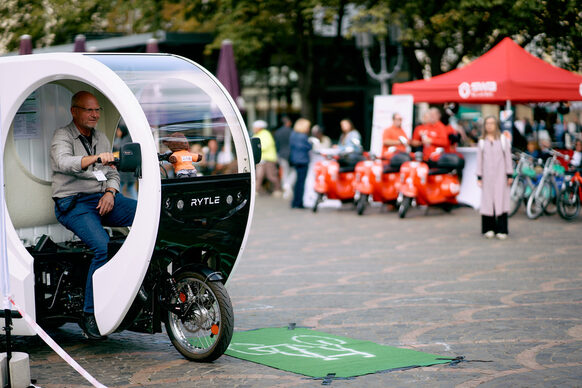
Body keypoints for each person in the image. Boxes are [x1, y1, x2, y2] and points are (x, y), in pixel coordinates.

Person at [50, 91, 137, 339]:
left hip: (103, 199)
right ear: (74, 111)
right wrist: (96, 158)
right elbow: (64, 162)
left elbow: (113, 173)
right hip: (73, 202)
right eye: (89, 110)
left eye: (97, 110)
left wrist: (111, 192)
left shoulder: (100, 136)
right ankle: (90, 313)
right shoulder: (62, 135)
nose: (95, 114)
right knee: (102, 246)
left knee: (147, 215)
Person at [476, 116, 513, 240]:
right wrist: (479, 176)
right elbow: (479, 160)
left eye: (492, 123)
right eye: (487, 123)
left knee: (501, 200)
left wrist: (509, 174)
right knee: (487, 201)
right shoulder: (482, 141)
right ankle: (488, 228)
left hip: (500, 175)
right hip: (487, 176)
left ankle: (502, 229)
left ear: (496, 125)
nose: (489, 126)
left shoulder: (503, 140)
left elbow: (508, 157)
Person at [252, 120, 281, 196]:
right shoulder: (256, 134)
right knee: (259, 175)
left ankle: (277, 189)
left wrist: (256, 148)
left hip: (268, 159)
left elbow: (265, 145)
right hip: (260, 159)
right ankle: (255, 190)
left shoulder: (266, 134)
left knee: (271, 176)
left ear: (260, 127)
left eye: (255, 127)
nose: (253, 128)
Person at [289, 118, 312, 209]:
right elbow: (308, 147)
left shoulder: (293, 134)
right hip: (303, 161)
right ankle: (299, 202)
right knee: (301, 183)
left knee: (297, 182)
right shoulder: (303, 136)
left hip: (295, 160)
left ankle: (295, 201)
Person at [113, 125, 138, 199]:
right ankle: (136, 202)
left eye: (118, 130)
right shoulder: (128, 139)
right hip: (131, 171)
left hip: (124, 170)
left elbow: (118, 149)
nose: (117, 132)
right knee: (130, 188)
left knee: (119, 187)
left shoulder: (124, 141)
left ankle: (117, 200)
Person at [274, 116, 294, 198]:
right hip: (291, 154)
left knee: (284, 172)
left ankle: (285, 186)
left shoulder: (277, 132)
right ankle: (288, 186)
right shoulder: (292, 131)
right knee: (292, 171)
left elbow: (277, 145)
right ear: (288, 123)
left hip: (281, 154)